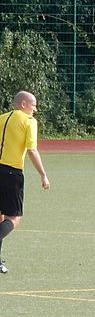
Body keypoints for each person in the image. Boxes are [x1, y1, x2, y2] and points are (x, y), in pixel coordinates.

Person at [0, 91, 51, 274]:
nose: (35, 110)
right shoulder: (29, 122)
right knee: (13, 218)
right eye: (33, 105)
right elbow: (31, 150)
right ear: (23, 104)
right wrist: (43, 174)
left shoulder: (2, 118)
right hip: (12, 173)